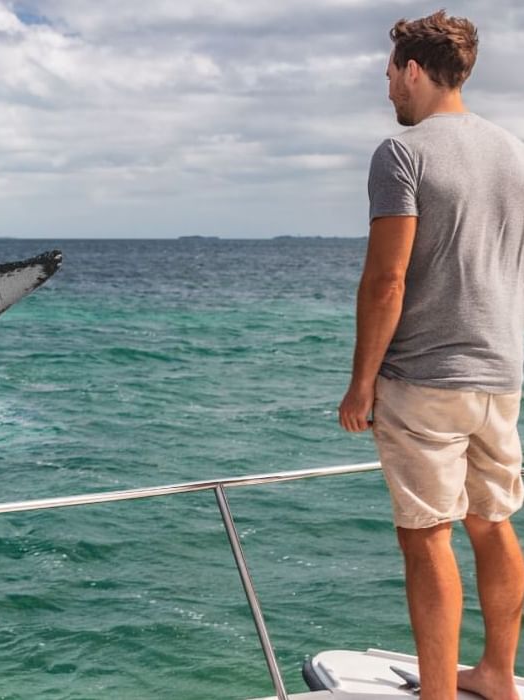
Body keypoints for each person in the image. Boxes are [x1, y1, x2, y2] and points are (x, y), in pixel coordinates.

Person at [338, 10, 524, 700]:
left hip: (425, 380)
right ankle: (499, 675)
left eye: (390, 74)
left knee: (426, 536)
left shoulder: (401, 153)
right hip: (502, 375)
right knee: (494, 521)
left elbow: (386, 280)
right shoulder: (515, 150)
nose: (388, 88)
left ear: (413, 70)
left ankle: (441, 695)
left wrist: (361, 384)